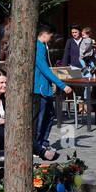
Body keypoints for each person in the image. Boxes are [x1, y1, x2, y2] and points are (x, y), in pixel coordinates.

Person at [34, 22, 72, 161]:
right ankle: (36, 146)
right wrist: (62, 85)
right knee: (40, 118)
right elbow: (44, 68)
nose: (51, 39)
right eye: (50, 36)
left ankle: (43, 142)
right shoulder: (38, 47)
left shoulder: (42, 46)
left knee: (50, 115)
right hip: (39, 89)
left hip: (45, 89)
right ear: (44, 35)